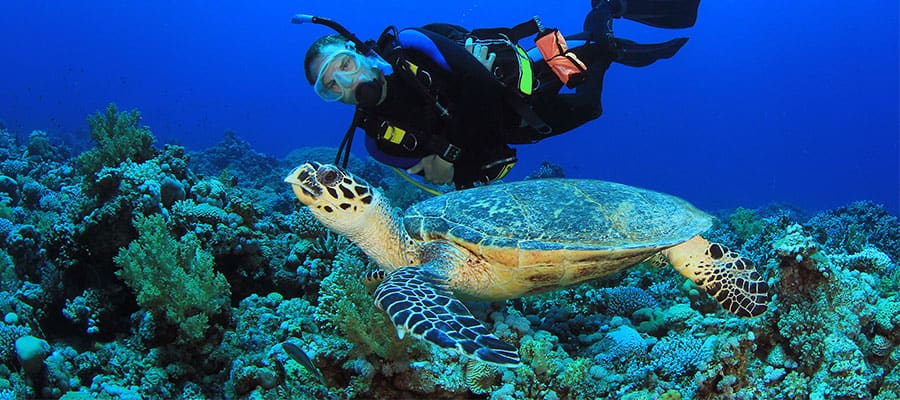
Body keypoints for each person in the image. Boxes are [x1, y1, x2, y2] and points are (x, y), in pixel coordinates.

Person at [302, 0, 700, 189]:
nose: (346, 83)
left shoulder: (411, 44)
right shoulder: (377, 144)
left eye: (343, 66)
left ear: (358, 53)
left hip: (511, 93)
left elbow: (479, 84)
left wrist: (445, 155)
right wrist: (458, 166)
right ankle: (600, 43)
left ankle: (605, 15)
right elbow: (462, 179)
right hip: (511, 130)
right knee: (589, 108)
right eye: (330, 87)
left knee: (586, 81)